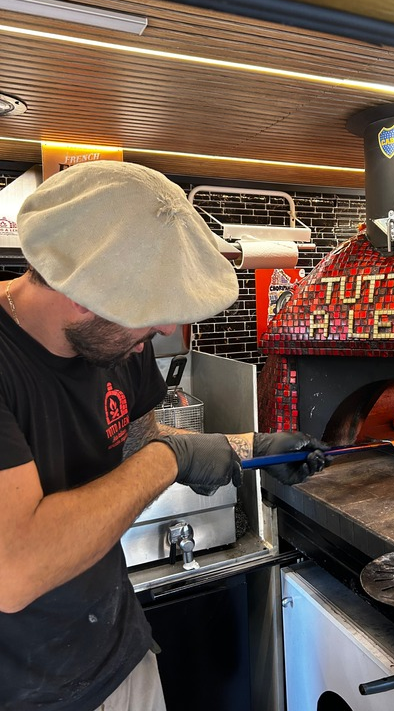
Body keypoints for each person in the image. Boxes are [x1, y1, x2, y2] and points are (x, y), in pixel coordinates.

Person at [0, 160, 329, 711]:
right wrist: (166, 460)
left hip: (120, 655)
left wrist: (247, 452)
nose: (164, 334)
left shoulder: (114, 343)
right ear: (84, 290)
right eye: (150, 319)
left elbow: (139, 438)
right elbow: (16, 568)